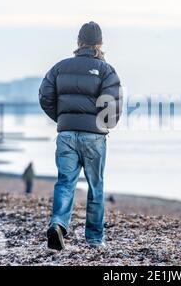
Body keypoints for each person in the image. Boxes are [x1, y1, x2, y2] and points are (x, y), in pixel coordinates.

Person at [39, 21, 122, 250]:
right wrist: (105, 125)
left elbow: (45, 96)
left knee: (65, 182)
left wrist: (64, 118)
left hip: (66, 135)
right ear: (100, 43)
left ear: (78, 42)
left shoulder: (59, 67)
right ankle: (94, 239)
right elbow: (112, 106)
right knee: (96, 186)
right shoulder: (106, 70)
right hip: (94, 136)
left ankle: (57, 224)